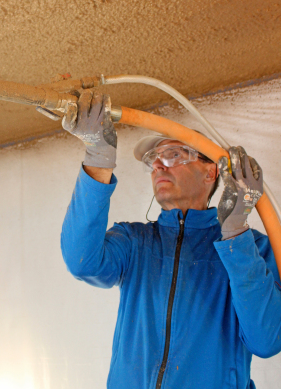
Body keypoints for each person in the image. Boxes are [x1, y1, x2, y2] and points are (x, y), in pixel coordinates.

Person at [60, 91, 281, 389]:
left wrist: (235, 233)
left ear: (210, 171)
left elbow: (267, 340)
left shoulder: (252, 248)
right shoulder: (135, 241)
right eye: (154, 159)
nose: (158, 166)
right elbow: (81, 261)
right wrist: (98, 158)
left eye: (173, 155)